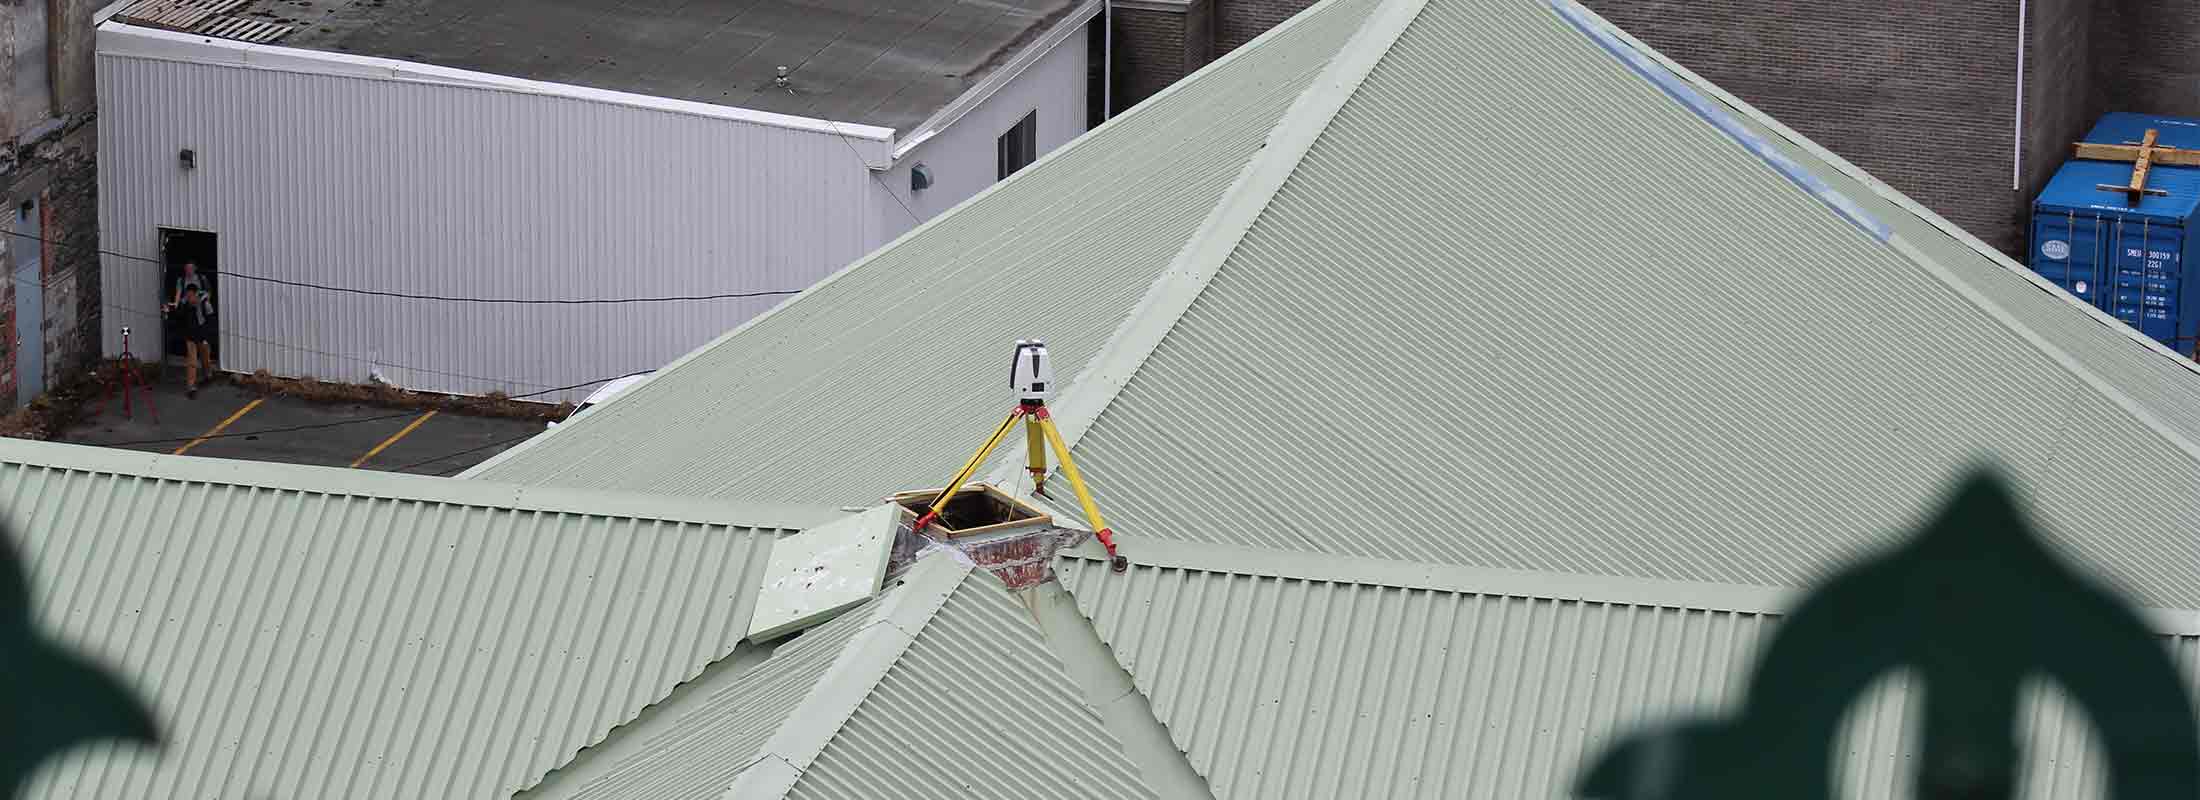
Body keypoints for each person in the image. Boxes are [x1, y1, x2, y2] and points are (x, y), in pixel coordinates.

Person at [163, 261, 215, 397]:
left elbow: (210, 320)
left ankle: (208, 374)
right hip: (190, 335)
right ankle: (191, 387)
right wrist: (170, 308)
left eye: (192, 295)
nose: (190, 298)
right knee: (191, 361)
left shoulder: (204, 304)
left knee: (205, 357)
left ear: (197, 294)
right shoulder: (185, 304)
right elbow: (177, 311)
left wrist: (206, 337)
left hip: (202, 334)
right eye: (188, 295)